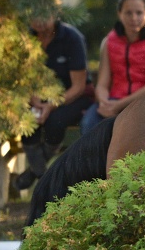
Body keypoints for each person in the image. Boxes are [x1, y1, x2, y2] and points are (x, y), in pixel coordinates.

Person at [14, 13, 93, 190]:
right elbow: (20, 78)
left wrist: (50, 105)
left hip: (72, 97)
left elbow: (78, 86)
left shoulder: (72, 38)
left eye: (44, 12)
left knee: (55, 121)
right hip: (34, 98)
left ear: (55, 12)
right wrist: (33, 99)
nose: (40, 18)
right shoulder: (23, 38)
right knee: (28, 124)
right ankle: (44, 178)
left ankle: (36, 174)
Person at [80, 0, 145, 134]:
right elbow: (102, 84)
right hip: (113, 99)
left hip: (144, 102)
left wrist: (119, 106)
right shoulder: (109, 41)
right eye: (128, 13)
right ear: (119, 14)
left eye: (139, 13)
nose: (134, 18)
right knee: (88, 123)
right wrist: (104, 102)